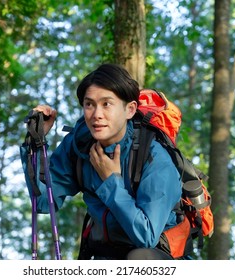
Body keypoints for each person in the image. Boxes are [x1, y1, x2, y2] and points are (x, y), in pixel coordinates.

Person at [31, 63, 182, 260]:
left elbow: (146, 237)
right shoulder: (79, 145)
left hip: (157, 258)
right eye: (89, 104)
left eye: (106, 104)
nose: (97, 115)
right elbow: (43, 202)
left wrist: (111, 180)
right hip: (104, 255)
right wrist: (36, 143)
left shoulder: (154, 158)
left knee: (140, 258)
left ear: (130, 109)